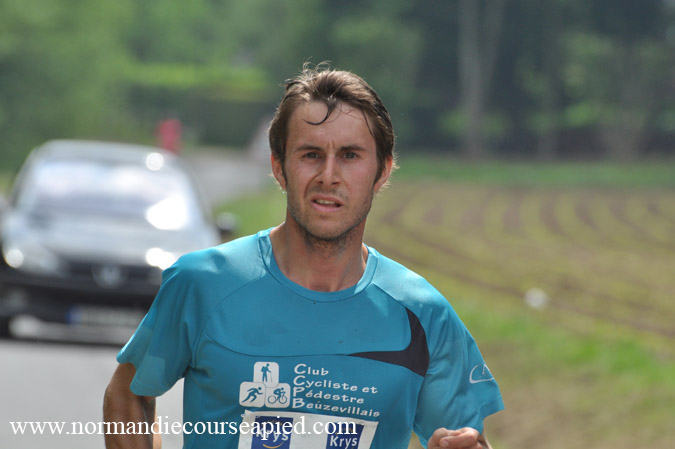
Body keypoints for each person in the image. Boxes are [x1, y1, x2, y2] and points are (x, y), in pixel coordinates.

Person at [104, 65, 504, 449]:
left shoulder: (424, 314)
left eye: (350, 155)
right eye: (311, 154)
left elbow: (468, 438)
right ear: (279, 167)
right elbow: (128, 395)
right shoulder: (202, 283)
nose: (328, 175)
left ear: (382, 172)